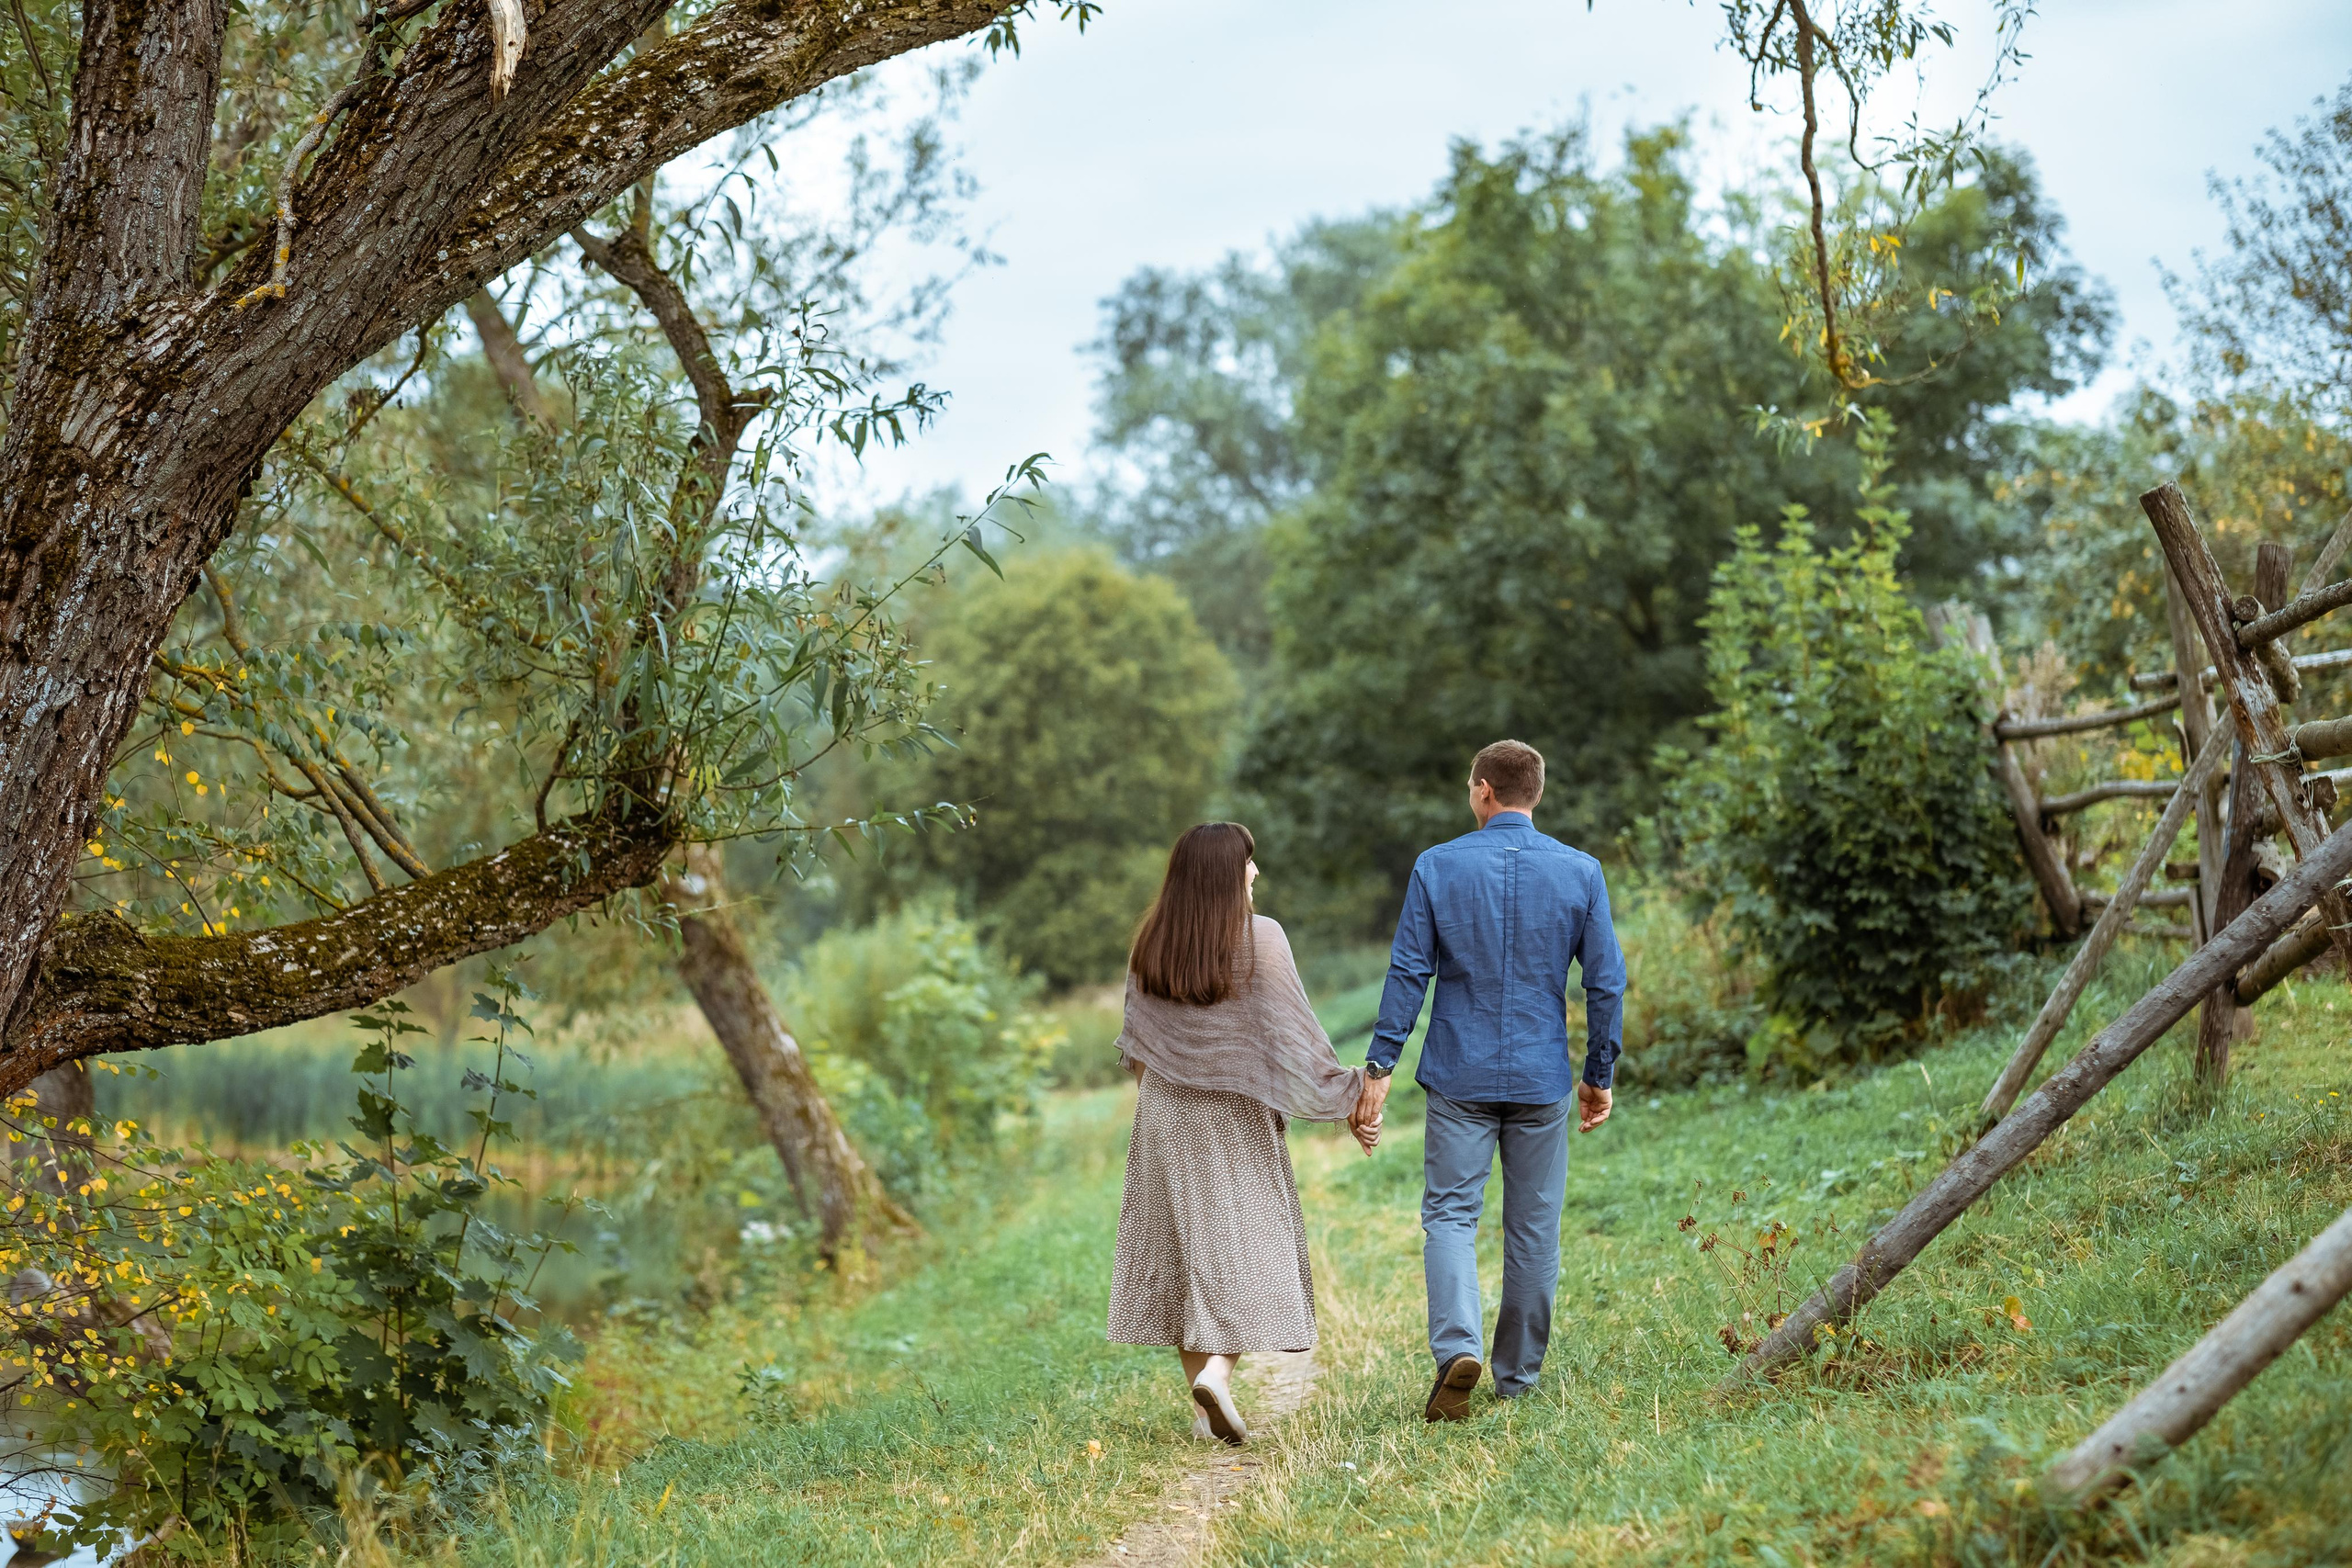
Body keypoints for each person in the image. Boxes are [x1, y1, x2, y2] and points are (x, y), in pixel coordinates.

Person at [1356, 739, 1626, 1421]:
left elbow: (1409, 971)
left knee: (1450, 1213)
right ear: (1535, 793)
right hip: (1542, 1077)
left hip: (1458, 1073)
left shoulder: (1437, 866)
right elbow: (1606, 982)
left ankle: (1457, 1350)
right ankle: (1517, 1378)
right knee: (1534, 1228)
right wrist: (1599, 1074)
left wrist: (1380, 1066)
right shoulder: (1581, 872)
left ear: (1483, 789)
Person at [1105, 822, 1384, 1445]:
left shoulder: (1150, 943)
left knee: (1184, 1251)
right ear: (1225, 873)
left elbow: (1141, 1048)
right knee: (1252, 1244)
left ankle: (1206, 1416)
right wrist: (1353, 1096)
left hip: (1164, 1112)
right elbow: (1296, 1037)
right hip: (1233, 1112)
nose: (1256, 874)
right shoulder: (1263, 937)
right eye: (1249, 864)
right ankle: (1218, 1372)